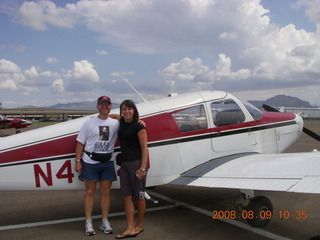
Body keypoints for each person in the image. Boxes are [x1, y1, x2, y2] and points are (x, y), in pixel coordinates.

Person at [75, 96, 119, 236]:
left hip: (107, 161)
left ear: (110, 106)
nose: (105, 106)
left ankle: (104, 220)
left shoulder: (115, 123)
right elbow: (80, 142)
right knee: (90, 192)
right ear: (97, 107)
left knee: (106, 192)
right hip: (90, 161)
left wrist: (141, 122)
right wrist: (77, 160)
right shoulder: (89, 122)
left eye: (107, 104)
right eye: (102, 104)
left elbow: (128, 119)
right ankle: (88, 221)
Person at [113, 99, 148, 239]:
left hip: (137, 164)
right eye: (124, 109)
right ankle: (130, 227)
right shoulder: (121, 121)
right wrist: (98, 117)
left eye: (130, 109)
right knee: (126, 197)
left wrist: (143, 168)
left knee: (139, 196)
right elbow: (112, 116)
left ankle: (139, 225)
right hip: (125, 164)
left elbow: (145, 148)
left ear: (134, 111)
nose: (127, 111)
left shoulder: (139, 127)